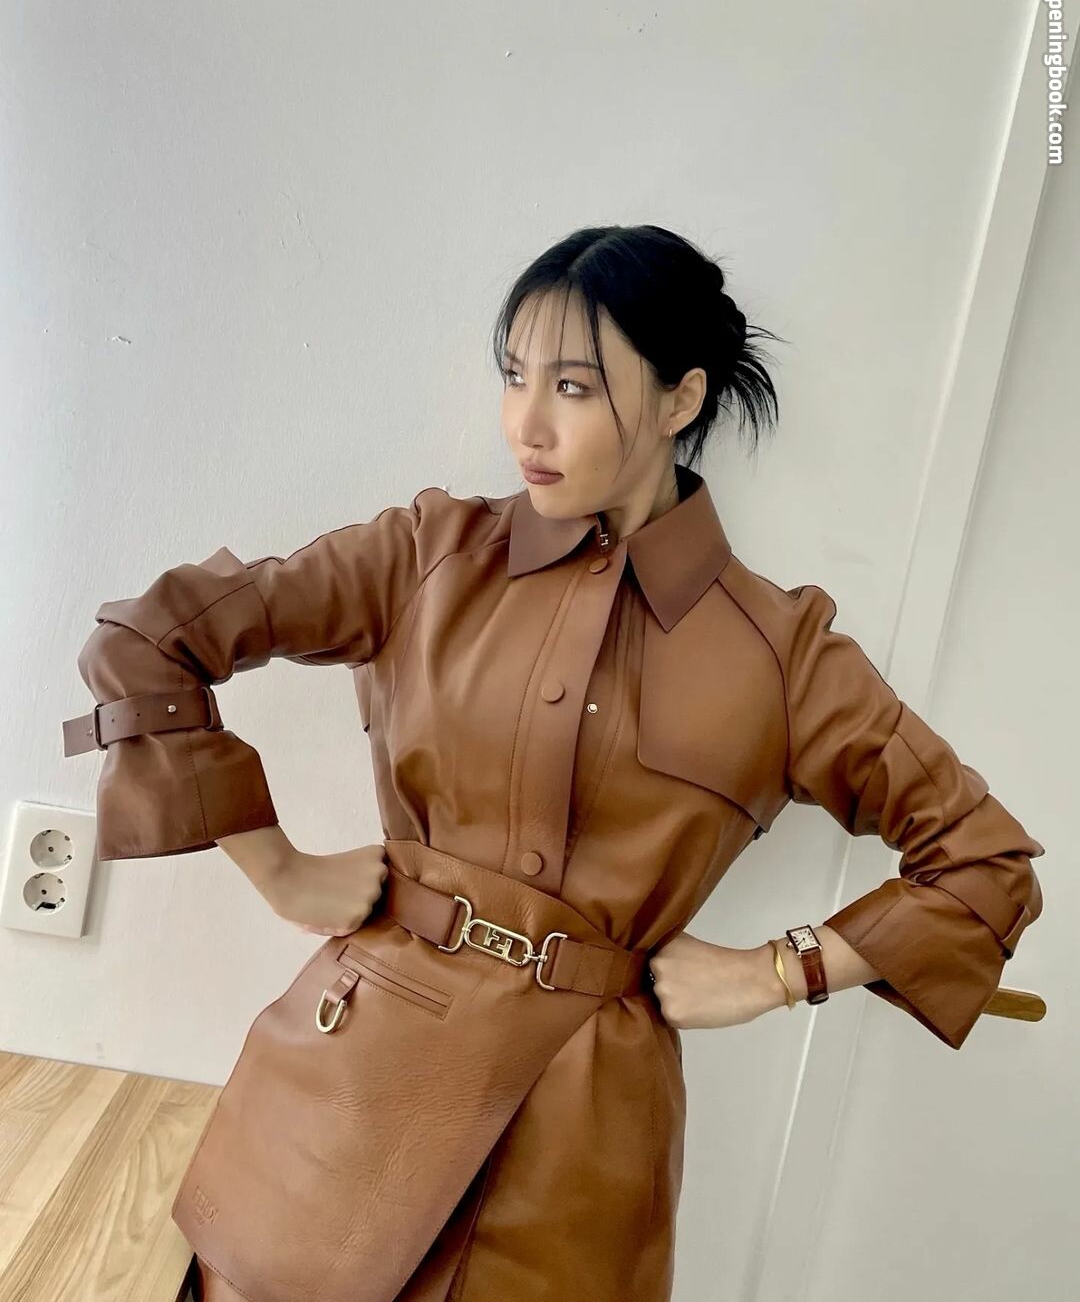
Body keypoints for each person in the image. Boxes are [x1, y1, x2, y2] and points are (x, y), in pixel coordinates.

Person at [64, 224, 1044, 1302]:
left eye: (572, 386)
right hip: (350, 1093)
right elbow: (146, 642)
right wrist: (278, 868)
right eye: (514, 375)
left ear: (679, 399)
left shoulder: (783, 652)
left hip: (580, 1140)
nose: (525, 425)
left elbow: (985, 863)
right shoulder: (427, 555)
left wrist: (778, 970)